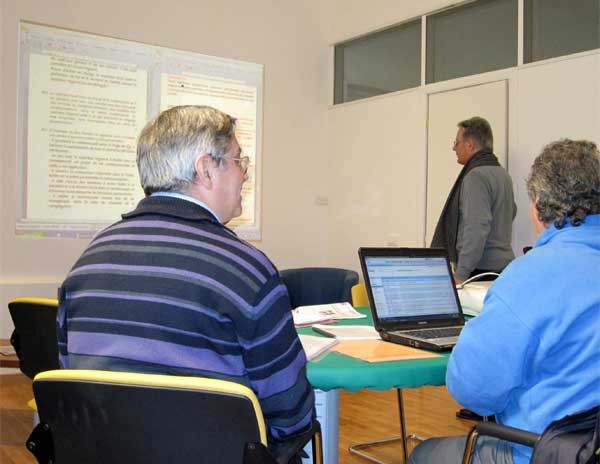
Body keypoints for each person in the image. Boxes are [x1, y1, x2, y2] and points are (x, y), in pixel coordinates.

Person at [57, 105, 315, 451]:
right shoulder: (246, 269)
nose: (245, 175)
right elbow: (290, 412)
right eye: (238, 161)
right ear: (205, 169)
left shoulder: (88, 260)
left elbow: (70, 376)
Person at [409, 138, 600, 464]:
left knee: (424, 454)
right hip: (589, 449)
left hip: (540, 451)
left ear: (538, 204)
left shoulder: (531, 276)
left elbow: (473, 391)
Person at [431, 116, 517, 284]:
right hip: (503, 269)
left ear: (469, 144)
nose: (453, 148)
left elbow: (476, 227)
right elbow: (511, 213)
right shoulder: (502, 174)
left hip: (480, 271)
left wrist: (461, 274)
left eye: (456, 143)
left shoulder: (476, 176)